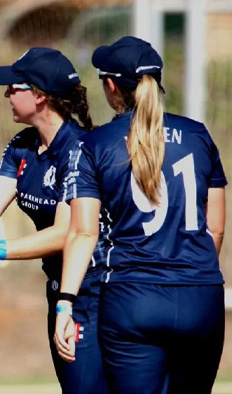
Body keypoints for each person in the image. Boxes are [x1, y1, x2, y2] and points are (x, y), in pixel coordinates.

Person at [54, 36, 227, 394]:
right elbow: (216, 229)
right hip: (201, 298)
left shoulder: (96, 143)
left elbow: (83, 233)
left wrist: (65, 304)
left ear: (112, 85)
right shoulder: (197, 135)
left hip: (133, 299)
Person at [0, 47, 108, 394]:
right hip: (60, 292)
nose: (6, 93)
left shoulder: (77, 149)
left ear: (39, 96)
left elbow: (65, 233)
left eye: (14, 87)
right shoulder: (22, 145)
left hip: (94, 294)